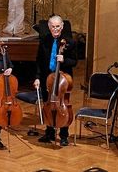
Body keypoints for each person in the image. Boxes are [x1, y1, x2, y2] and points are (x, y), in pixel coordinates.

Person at [34, 15, 76, 147]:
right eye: (53, 27)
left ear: (62, 26)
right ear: (49, 27)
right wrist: (37, 77)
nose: (55, 29)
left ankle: (64, 135)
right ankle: (49, 132)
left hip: (63, 80)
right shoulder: (44, 40)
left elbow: (74, 61)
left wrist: (64, 60)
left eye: (58, 26)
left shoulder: (70, 42)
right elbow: (39, 60)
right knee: (49, 105)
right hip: (47, 79)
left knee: (62, 105)